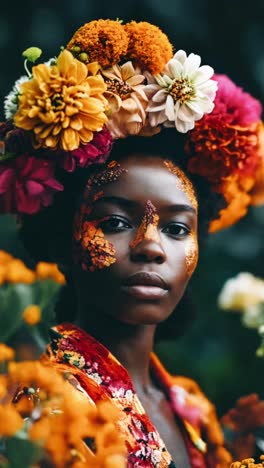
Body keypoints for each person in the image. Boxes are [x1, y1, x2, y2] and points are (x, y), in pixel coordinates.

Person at [1, 18, 264, 468]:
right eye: (116, 222)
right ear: (62, 238)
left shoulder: (192, 409)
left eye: (177, 229)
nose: (151, 247)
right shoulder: (40, 404)